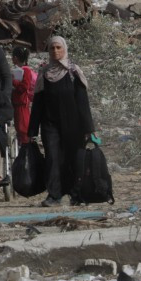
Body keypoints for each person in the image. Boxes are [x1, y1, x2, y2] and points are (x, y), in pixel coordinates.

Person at [30, 36, 95, 207]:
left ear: (64, 49)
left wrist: (89, 128)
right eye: (52, 48)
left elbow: (83, 102)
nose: (55, 51)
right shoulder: (44, 73)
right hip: (50, 124)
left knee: (74, 159)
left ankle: (76, 194)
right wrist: (32, 131)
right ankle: (54, 195)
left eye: (59, 48)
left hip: (73, 125)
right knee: (52, 158)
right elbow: (38, 104)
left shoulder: (73, 72)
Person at [11, 48, 38, 144]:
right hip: (19, 104)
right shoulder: (23, 70)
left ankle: (26, 150)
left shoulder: (25, 71)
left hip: (22, 104)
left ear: (15, 58)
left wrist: (13, 81)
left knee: (23, 129)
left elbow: (24, 87)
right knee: (21, 128)